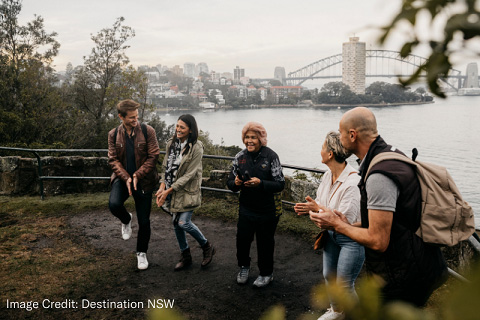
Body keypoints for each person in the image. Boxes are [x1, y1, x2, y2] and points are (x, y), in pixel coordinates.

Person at [310, 107, 448, 307]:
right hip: (419, 264)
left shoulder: (378, 175)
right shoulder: (390, 155)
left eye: (340, 133)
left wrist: (337, 225)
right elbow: (391, 220)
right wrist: (349, 224)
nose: (339, 138)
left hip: (403, 276)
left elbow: (378, 241)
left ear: (352, 134)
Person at [294, 131, 364, 320]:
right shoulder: (327, 175)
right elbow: (319, 203)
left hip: (350, 239)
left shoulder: (352, 182)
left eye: (322, 147)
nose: (320, 151)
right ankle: (338, 311)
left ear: (330, 153)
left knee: (344, 284)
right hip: (331, 234)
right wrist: (311, 208)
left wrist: (318, 209)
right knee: (329, 276)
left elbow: (344, 221)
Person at [227, 122, 285, 288]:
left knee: (265, 242)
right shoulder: (239, 157)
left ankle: (266, 273)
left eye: (253, 137)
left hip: (267, 209)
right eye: (247, 137)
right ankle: (244, 267)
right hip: (246, 208)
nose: (249, 141)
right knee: (242, 240)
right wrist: (236, 183)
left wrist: (261, 184)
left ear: (261, 139)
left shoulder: (271, 157)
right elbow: (230, 183)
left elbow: (280, 184)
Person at [156, 114, 215, 271]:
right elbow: (165, 168)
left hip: (188, 190)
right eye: (177, 126)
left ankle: (207, 246)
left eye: (182, 127)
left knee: (183, 222)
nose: (178, 129)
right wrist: (162, 186)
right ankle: (185, 255)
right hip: (172, 190)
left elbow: (190, 175)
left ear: (190, 130)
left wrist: (169, 189)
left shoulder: (196, 147)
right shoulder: (171, 143)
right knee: (176, 223)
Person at [108, 99, 160, 270]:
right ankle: (126, 219)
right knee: (114, 205)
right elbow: (113, 160)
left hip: (144, 181)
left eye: (136, 116)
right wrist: (126, 177)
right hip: (123, 180)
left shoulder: (147, 131)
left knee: (144, 221)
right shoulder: (113, 134)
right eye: (131, 117)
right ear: (120, 117)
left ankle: (141, 253)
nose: (135, 120)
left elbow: (153, 156)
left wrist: (137, 175)